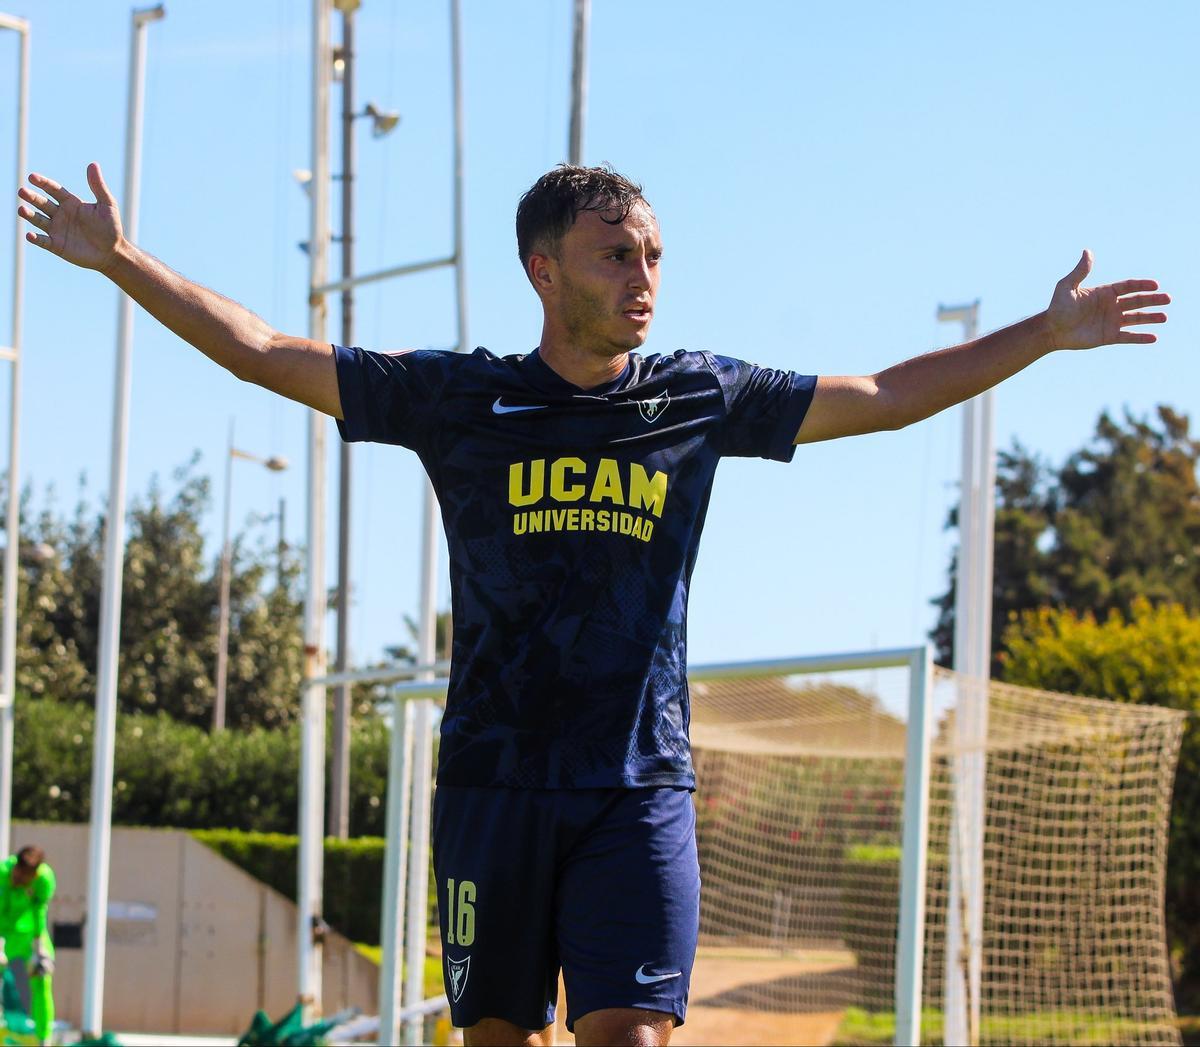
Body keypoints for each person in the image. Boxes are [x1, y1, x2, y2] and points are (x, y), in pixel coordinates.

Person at [17, 162, 1167, 1047]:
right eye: (616, 254)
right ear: (545, 269)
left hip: (637, 787)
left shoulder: (698, 398)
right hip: (492, 784)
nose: (644, 276)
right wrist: (123, 260)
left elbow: (882, 395)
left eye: (655, 253)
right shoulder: (461, 396)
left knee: (634, 1033)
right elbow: (265, 350)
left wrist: (1046, 334)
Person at [0, 845, 56, 1045]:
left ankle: (44, 1039)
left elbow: (39, 911)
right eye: (18, 875)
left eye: (24, 878)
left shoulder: (44, 878)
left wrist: (39, 950)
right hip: (4, 934)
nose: (19, 880)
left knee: (42, 978)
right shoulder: (2, 873)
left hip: (28, 935)